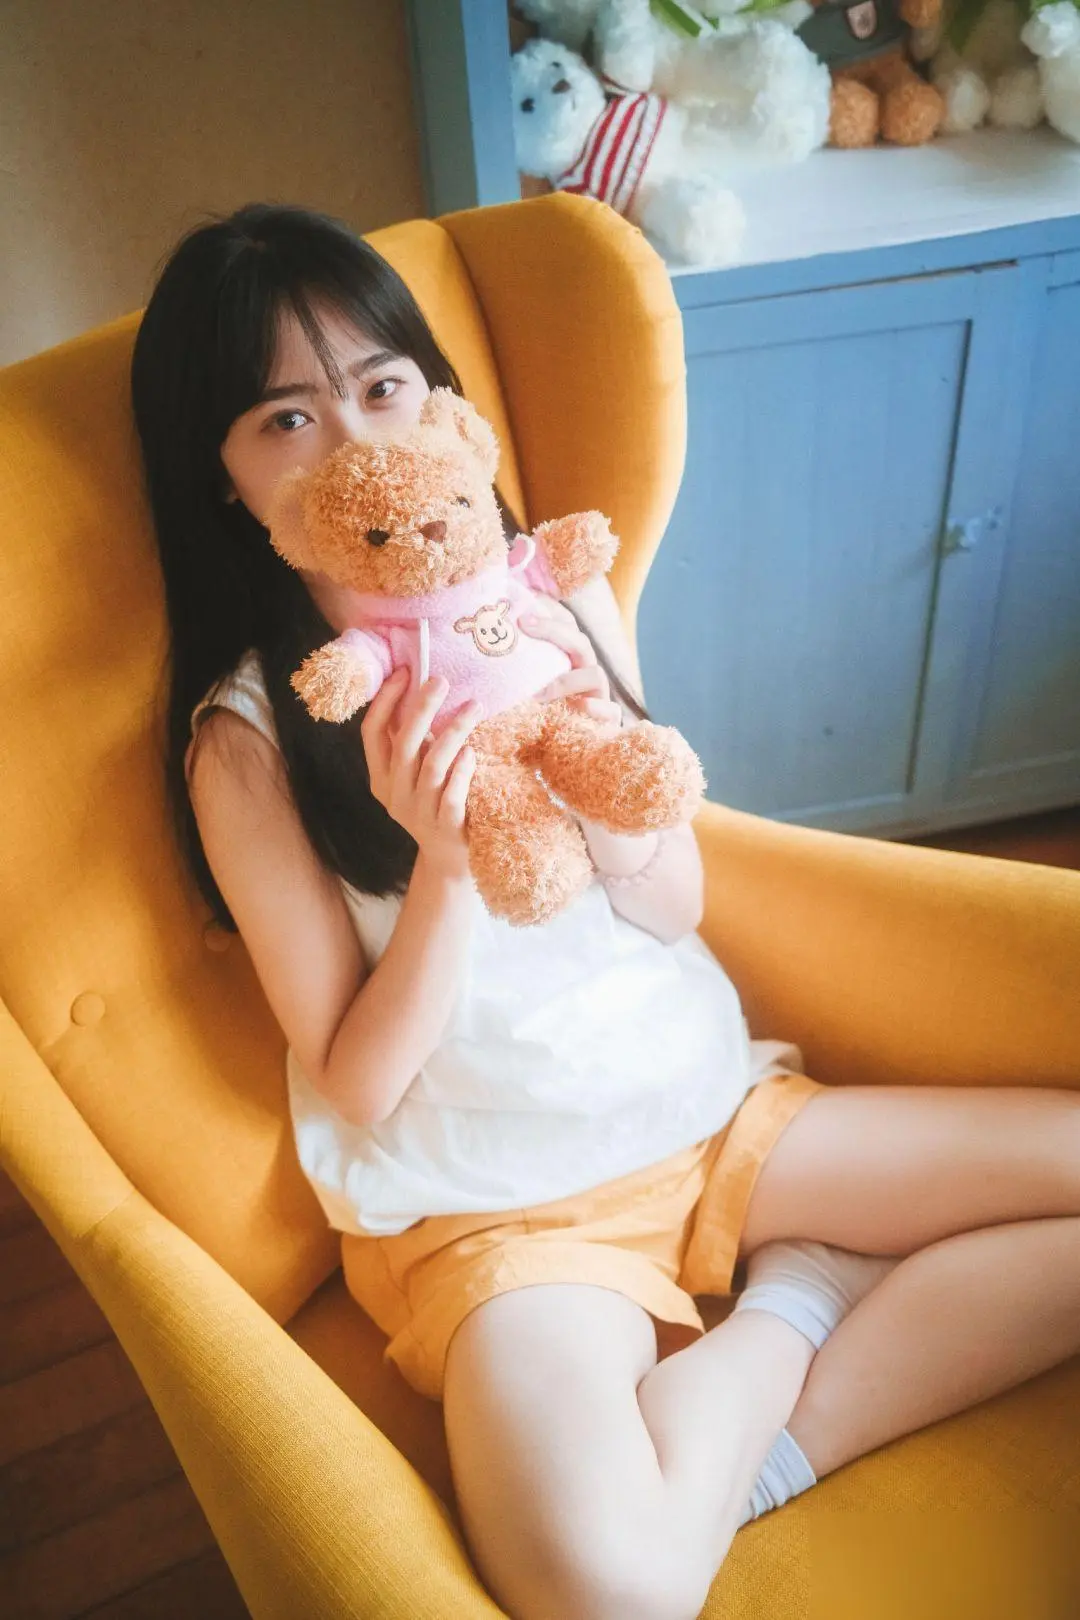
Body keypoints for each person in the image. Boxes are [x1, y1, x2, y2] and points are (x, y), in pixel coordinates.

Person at [132, 201, 1080, 1620]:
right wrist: (445, 865)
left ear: (442, 405)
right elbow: (358, 1081)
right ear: (223, 480)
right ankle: (800, 1307)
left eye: (382, 386)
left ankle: (771, 1361)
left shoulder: (549, 606)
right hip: (499, 1211)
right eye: (286, 418)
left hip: (705, 1112)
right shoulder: (253, 738)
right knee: (609, 1591)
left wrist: (606, 773)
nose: (354, 440)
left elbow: (673, 904)